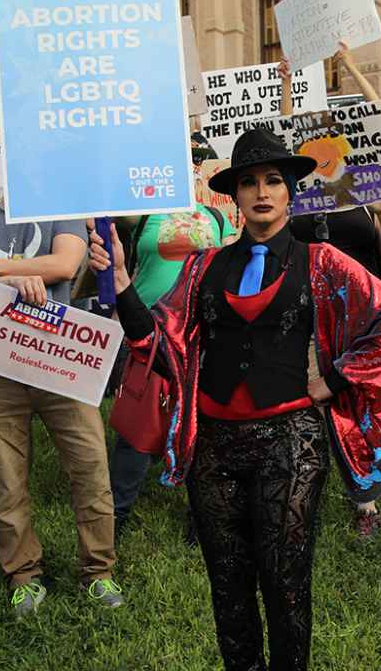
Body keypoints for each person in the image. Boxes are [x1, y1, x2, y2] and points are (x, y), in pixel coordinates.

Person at [88, 128, 381, 671]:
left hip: (291, 445)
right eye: (249, 183)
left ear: (290, 191)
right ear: (235, 196)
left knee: (285, 584)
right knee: (228, 587)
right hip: (214, 448)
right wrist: (122, 282)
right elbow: (157, 343)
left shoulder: (322, 261)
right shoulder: (203, 267)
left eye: (273, 181)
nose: (262, 192)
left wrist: (335, 379)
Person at [281, 48, 381, 537]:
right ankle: (302, 494)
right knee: (309, 404)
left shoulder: (366, 192)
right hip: (308, 317)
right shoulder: (295, 198)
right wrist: (288, 88)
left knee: (359, 408)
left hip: (357, 320)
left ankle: (365, 503)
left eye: (330, 146)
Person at [0, 202, 123, 616]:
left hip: (62, 362)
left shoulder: (61, 206)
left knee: (90, 467)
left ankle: (99, 572)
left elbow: (63, 265)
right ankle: (23, 576)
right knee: (6, 480)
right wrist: (19, 278)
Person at [109, 140, 237, 538]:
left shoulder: (216, 217)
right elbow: (109, 221)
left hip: (201, 330)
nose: (190, 167)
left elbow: (234, 265)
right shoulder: (143, 215)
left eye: (196, 162)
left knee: (203, 422)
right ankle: (116, 512)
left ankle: (200, 512)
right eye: (181, 161)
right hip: (147, 324)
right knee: (138, 419)